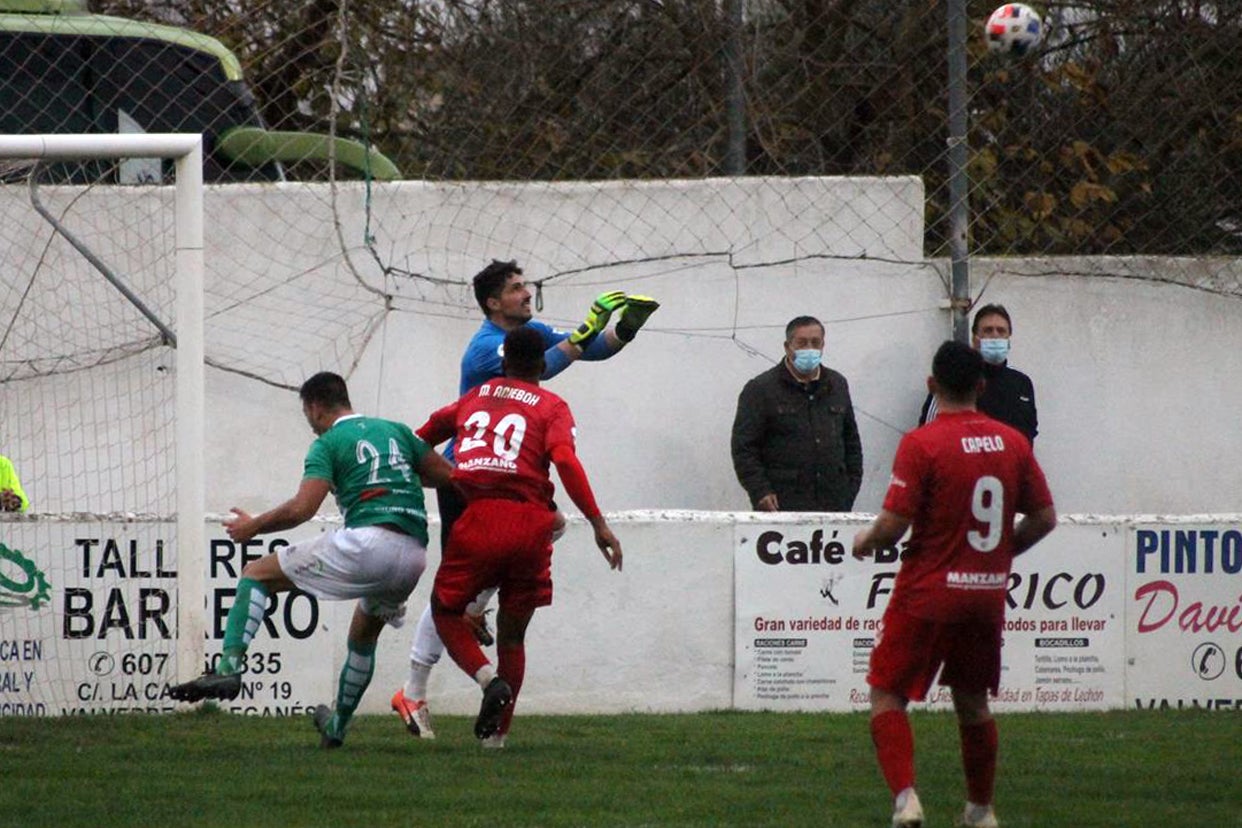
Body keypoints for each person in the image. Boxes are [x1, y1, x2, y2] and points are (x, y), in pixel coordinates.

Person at [391, 258, 658, 740]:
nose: (526, 293)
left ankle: (474, 619)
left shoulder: (525, 335)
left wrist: (624, 331)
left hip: (491, 494)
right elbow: (549, 367)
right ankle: (416, 689)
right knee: (489, 588)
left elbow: (583, 350)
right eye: (516, 289)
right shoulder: (483, 351)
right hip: (468, 484)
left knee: (475, 577)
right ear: (493, 302)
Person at [168, 371, 453, 749]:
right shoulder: (398, 432)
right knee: (364, 636)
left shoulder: (329, 442)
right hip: (414, 555)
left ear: (316, 408)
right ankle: (335, 728)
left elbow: (303, 509)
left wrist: (253, 527)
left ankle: (228, 669)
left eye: (308, 416)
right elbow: (446, 477)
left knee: (256, 574)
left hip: (369, 542)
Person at [852, 340, 1057, 828]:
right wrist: (999, 554)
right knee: (973, 702)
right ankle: (981, 810)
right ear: (981, 387)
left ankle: (906, 800)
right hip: (985, 596)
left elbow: (895, 525)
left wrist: (866, 539)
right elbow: (1045, 517)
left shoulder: (922, 443)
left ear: (931, 385)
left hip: (927, 590)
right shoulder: (1012, 442)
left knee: (887, 694)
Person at [420, 325, 622, 746]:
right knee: (513, 634)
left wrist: (433, 475)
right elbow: (565, 461)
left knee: (445, 610)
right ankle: (496, 740)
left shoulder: (473, 398)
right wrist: (598, 523)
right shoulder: (552, 405)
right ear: (543, 362)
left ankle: (486, 678)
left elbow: (419, 439)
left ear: (504, 359)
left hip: (480, 518)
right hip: (533, 525)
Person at [730, 315, 863, 512]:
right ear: (787, 346)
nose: (809, 349)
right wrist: (760, 492)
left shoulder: (837, 384)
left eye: (815, 343)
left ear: (823, 345)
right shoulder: (761, 389)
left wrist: (849, 490)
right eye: (801, 343)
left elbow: (851, 442)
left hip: (833, 503)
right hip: (783, 504)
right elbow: (744, 448)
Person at [919, 303, 1038, 444]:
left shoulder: (1021, 383)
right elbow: (929, 431)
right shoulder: (955, 377)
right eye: (988, 330)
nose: (995, 336)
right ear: (975, 339)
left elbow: (1029, 433)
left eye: (1001, 331)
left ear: (1008, 339)